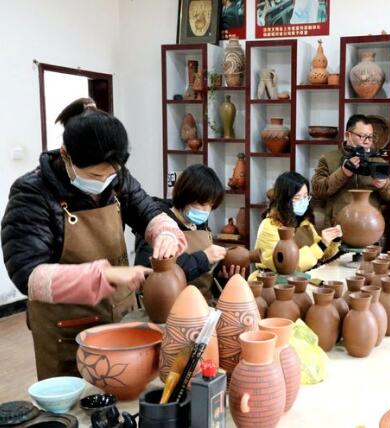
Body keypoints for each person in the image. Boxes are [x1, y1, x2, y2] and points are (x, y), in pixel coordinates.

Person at [1, 98, 187, 380]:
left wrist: (165, 232)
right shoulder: (32, 193)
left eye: (110, 174)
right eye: (93, 175)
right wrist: (104, 275)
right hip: (67, 329)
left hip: (120, 316)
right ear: (66, 154)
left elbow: (147, 211)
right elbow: (27, 275)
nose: (103, 181)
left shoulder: (117, 179)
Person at [134, 165, 244, 303]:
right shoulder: (157, 226)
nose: (206, 211)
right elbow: (151, 274)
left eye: (210, 205)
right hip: (170, 306)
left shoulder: (200, 226)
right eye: (202, 204)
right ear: (184, 196)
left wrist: (223, 277)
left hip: (202, 304)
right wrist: (204, 258)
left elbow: (205, 278)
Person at [312, 114, 390, 231]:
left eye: (370, 137)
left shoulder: (378, 161)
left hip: (370, 227)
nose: (367, 142)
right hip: (337, 228)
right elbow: (318, 191)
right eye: (362, 136)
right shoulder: (329, 159)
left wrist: (384, 185)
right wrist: (343, 173)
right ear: (348, 135)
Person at [250, 172, 342, 279]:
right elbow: (287, 265)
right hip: (271, 281)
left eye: (305, 196)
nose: (303, 202)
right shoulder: (269, 226)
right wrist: (321, 245)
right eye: (297, 198)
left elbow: (320, 255)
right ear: (283, 200)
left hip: (299, 278)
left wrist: (333, 240)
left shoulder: (304, 223)